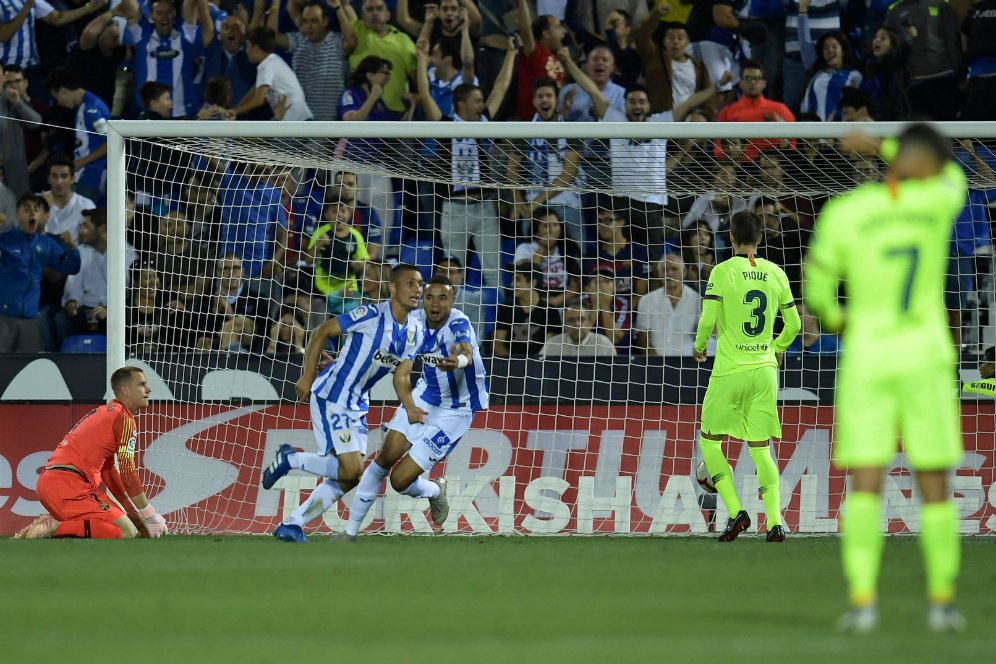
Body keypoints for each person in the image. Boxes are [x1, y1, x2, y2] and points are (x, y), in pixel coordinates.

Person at [804, 124, 968, 633]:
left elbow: (817, 285)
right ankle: (941, 603)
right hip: (925, 357)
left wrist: (837, 319)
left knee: (865, 482)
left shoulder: (847, 212)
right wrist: (883, 144)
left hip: (868, 359)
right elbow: (950, 174)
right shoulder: (939, 200)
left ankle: (862, 602)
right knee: (935, 481)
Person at [260, 263, 425, 542]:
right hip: (333, 395)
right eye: (411, 283)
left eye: (420, 284)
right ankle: (291, 458)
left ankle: (292, 524)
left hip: (358, 404)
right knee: (350, 469)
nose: (417, 290)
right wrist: (307, 376)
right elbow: (321, 331)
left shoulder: (415, 332)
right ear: (393, 288)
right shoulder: (370, 315)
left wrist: (409, 406)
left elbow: (402, 376)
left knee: (350, 476)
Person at [338, 275, 488, 539]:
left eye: (443, 298)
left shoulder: (459, 323)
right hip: (426, 397)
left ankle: (434, 490)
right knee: (385, 457)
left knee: (400, 481)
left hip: (457, 410)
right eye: (429, 297)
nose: (435, 304)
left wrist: (460, 362)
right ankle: (349, 534)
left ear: (452, 301)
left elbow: (465, 349)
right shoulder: (414, 322)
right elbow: (383, 350)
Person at [558, 46, 729, 261]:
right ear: (625, 105)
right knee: (620, 258)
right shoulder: (615, 119)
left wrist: (718, 86)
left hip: (651, 204)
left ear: (648, 105)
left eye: (641, 101)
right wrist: (567, 61)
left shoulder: (661, 122)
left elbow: (690, 102)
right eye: (632, 101)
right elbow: (592, 89)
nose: (637, 105)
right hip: (620, 203)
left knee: (653, 260)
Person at [692, 210, 801, 543]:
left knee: (709, 442)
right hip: (765, 370)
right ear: (761, 238)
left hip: (729, 370)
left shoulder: (722, 272)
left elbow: (708, 316)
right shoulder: (776, 273)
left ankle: (737, 511)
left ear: (730, 237)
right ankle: (776, 522)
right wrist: (777, 347)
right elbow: (795, 325)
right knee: (760, 449)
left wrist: (699, 347)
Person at [14, 366, 168, 539]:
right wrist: (149, 514)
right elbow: (128, 472)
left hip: (51, 483)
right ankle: (54, 527)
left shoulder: (105, 413)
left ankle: (54, 525)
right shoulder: (123, 419)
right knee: (126, 532)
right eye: (141, 385)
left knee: (124, 527)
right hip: (71, 485)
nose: (148, 389)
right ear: (124, 390)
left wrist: (135, 516)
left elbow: (108, 471)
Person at [417, 36, 517, 289]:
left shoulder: (483, 123)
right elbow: (424, 94)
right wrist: (421, 59)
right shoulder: (445, 126)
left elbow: (501, 88)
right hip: (454, 210)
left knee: (495, 275)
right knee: (451, 278)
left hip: (485, 209)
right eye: (478, 101)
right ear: (461, 104)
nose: (483, 105)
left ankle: (498, 327)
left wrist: (512, 54)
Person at [0, 194, 81, 352]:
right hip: (3, 316)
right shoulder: (5, 240)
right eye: (26, 209)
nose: (32, 213)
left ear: (40, 216)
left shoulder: (46, 244)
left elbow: (70, 268)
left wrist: (72, 248)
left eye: (36, 210)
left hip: (30, 319)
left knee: (29, 369)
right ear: (17, 214)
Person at [263, 0, 354, 122]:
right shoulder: (298, 41)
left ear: (325, 21)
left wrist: (338, 8)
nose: (309, 26)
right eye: (305, 22)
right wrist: (276, 3)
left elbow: (352, 42)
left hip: (331, 126)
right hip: (302, 125)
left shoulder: (337, 42)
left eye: (314, 21)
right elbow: (270, 37)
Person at [121, 0, 215, 117]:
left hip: (183, 115)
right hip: (149, 117)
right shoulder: (142, 33)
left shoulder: (185, 34)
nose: (164, 17)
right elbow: (128, 3)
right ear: (151, 16)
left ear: (174, 13)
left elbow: (190, 4)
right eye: (159, 13)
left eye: (168, 12)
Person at [884, 0, 961, 121]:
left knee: (948, 130)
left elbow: (954, 43)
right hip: (915, 83)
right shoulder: (894, 12)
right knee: (920, 134)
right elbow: (893, 51)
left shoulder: (943, 6)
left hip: (944, 79)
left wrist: (959, 76)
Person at [45, 67, 110, 204]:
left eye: (57, 98)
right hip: (83, 174)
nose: (59, 102)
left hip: (91, 175)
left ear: (63, 91)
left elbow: (109, 143)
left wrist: (81, 162)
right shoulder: (84, 106)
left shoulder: (91, 110)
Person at [344, 0, 417, 116]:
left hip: (396, 112)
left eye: (379, 9)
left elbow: (416, 77)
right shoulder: (356, 32)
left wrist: (415, 98)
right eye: (370, 10)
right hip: (362, 110)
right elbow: (345, 7)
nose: (375, 13)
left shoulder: (403, 40)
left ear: (388, 14)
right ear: (362, 17)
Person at [226, 25, 313, 121]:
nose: (246, 51)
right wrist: (235, 109)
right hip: (302, 120)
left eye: (248, 46)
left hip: (297, 123)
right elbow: (255, 90)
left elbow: (258, 100)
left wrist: (234, 112)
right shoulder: (273, 60)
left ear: (256, 48)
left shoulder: (266, 66)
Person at [634, 9, 711, 113]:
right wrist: (656, 15)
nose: (675, 42)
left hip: (688, 122)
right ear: (664, 41)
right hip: (662, 120)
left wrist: (706, 115)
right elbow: (641, 37)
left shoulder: (698, 66)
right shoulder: (654, 56)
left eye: (680, 38)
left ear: (687, 42)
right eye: (671, 38)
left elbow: (708, 96)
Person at [635, 253, 702, 357]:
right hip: (655, 364)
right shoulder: (647, 300)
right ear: (659, 274)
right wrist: (656, 362)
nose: (669, 273)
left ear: (684, 272)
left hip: (688, 364)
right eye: (665, 270)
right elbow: (642, 337)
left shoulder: (697, 300)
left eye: (674, 269)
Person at [513, 0, 565, 120]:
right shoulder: (534, 51)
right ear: (546, 34)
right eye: (558, 27)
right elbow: (526, 29)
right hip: (529, 122)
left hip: (552, 120)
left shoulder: (557, 56)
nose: (563, 31)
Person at [799, 30, 862, 121]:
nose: (830, 51)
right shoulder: (816, 72)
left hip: (840, 129)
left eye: (834, 47)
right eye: (826, 48)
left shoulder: (855, 75)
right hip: (812, 129)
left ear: (843, 51)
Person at [539, 299, 616, 358]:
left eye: (581, 319)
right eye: (571, 320)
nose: (577, 324)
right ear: (565, 325)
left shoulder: (604, 344)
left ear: (589, 322)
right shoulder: (552, 344)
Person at [961, 0, 996, 121]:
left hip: (977, 75)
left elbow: (964, 36)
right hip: (977, 74)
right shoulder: (974, 10)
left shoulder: (974, 10)